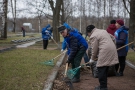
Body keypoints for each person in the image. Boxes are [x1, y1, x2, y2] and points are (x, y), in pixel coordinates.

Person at [86, 25, 118, 90]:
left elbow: (94, 49)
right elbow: (113, 38)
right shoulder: (103, 31)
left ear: (89, 32)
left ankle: (103, 87)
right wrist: (112, 46)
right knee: (105, 68)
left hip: (105, 51)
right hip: (112, 50)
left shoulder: (93, 35)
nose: (88, 35)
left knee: (100, 68)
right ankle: (103, 86)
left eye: (88, 34)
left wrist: (92, 59)